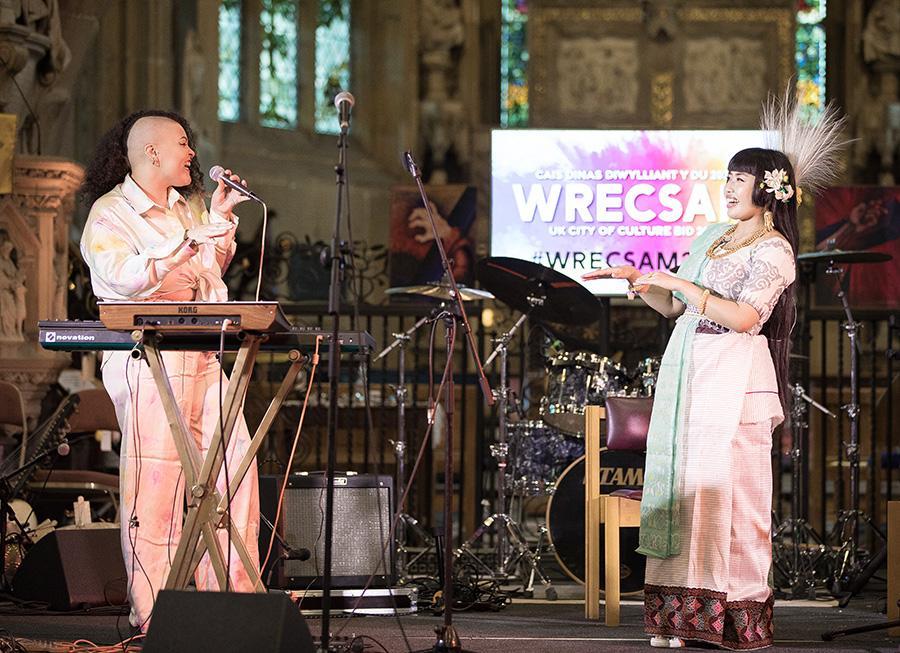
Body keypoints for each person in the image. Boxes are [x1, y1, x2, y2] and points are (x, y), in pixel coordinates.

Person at [583, 97, 846, 650]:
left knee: (734, 501)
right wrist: (643, 283)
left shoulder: (774, 251)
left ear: (768, 189)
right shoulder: (709, 238)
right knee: (685, 493)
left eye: (740, 179)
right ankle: (677, 619)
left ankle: (732, 618)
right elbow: (676, 310)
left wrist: (683, 286)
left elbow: (746, 318)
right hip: (691, 376)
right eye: (726, 177)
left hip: (736, 382)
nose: (727, 187)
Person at [79, 110, 259, 630]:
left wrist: (219, 221)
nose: (192, 153)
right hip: (148, 358)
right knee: (157, 484)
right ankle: (156, 611)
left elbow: (206, 273)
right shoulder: (109, 214)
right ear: (151, 152)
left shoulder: (189, 207)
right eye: (183, 143)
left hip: (201, 352)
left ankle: (232, 601)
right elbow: (124, 278)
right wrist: (190, 238)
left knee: (234, 467)